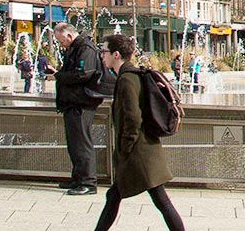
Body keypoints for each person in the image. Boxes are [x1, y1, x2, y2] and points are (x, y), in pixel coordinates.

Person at [93, 34, 184, 231]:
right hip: (143, 149)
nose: (102, 56)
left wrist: (125, 148)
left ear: (116, 54)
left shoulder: (126, 79)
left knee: (161, 200)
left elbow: (133, 118)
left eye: (104, 51)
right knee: (115, 196)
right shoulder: (132, 75)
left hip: (139, 152)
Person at [52, 23, 113, 196]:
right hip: (73, 102)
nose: (60, 44)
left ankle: (88, 182)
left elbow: (83, 73)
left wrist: (59, 75)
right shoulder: (76, 48)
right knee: (74, 142)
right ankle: (78, 178)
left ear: (69, 36)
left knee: (81, 142)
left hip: (82, 102)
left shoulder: (85, 48)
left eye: (60, 40)